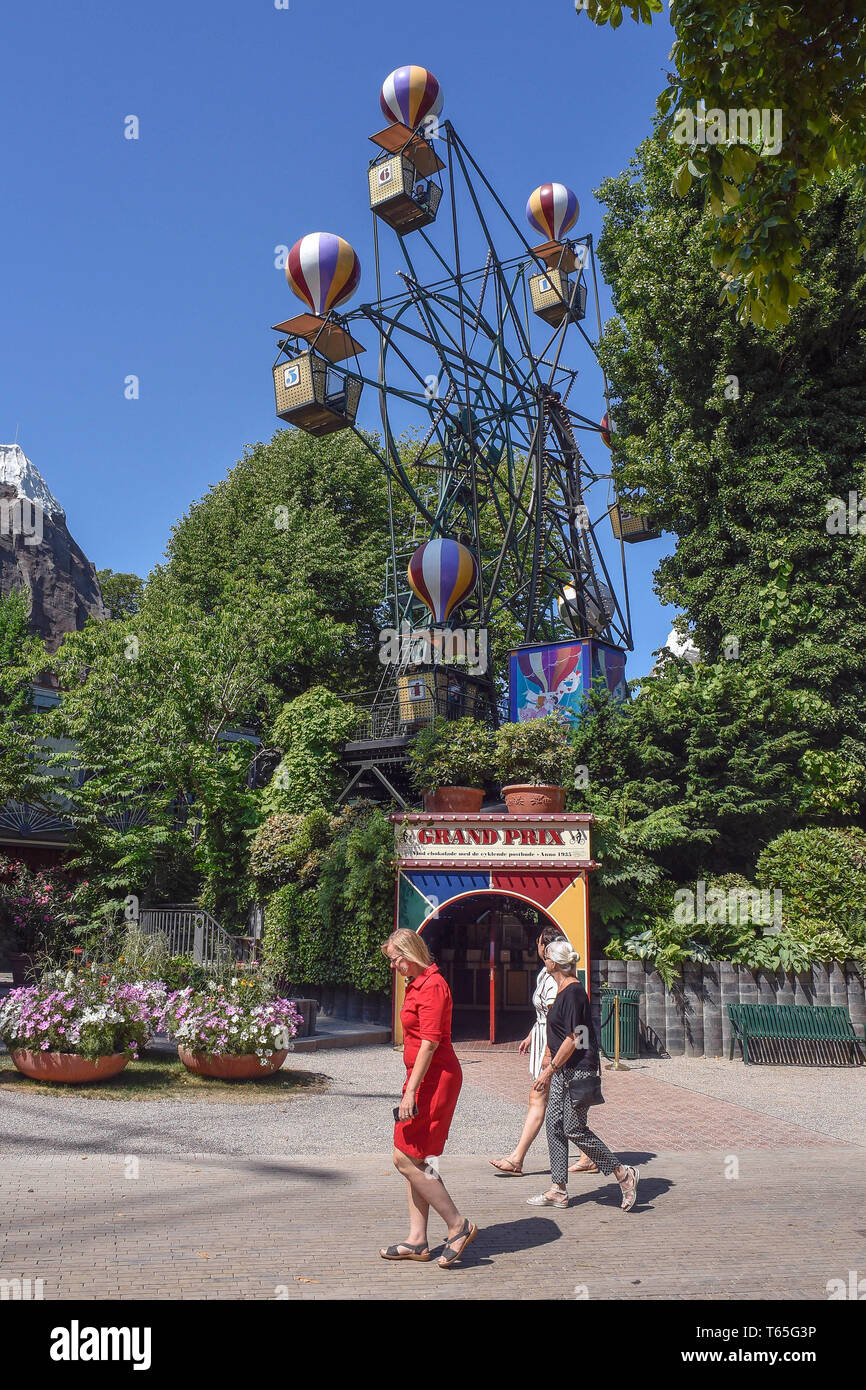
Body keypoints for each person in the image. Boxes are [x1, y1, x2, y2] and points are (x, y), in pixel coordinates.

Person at [379, 928, 478, 1268]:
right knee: (415, 1156)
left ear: (410, 954)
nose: (393, 966)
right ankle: (418, 1240)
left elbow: (430, 1043)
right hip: (423, 1077)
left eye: (395, 959)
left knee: (405, 1157)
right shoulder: (418, 983)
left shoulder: (433, 985)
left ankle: (458, 1225)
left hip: (435, 1080)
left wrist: (410, 1091)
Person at [526, 938, 639, 1212]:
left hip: (578, 1069)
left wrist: (549, 1070)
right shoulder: (561, 990)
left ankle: (623, 1174)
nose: (544, 959)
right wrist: (548, 1060)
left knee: (573, 1128)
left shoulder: (574, 993)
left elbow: (575, 1037)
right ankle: (558, 1189)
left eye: (547, 956)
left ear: (553, 962)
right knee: (554, 1124)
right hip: (562, 1068)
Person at [488, 926, 598, 1176]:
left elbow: (562, 1026)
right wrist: (530, 1034)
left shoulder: (559, 982)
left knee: (544, 1102)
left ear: (546, 950)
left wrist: (549, 1061)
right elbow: (547, 1018)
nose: (537, 950)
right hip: (545, 1042)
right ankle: (582, 1160)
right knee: (566, 1112)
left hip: (555, 1050)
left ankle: (518, 1158)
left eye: (540, 946)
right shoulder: (545, 975)